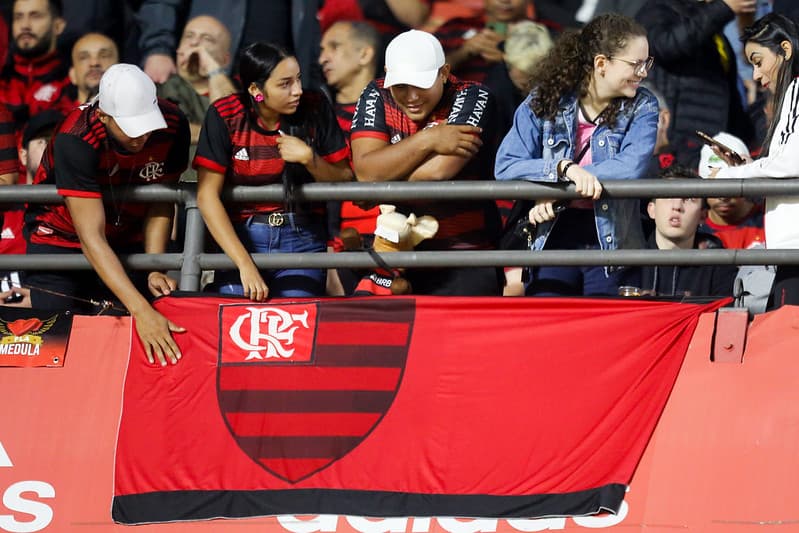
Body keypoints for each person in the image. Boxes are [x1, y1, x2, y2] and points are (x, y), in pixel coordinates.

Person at [23, 63, 191, 366]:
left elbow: (160, 200)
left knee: (123, 353)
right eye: (130, 126)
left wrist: (155, 267)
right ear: (103, 116)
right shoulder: (75, 137)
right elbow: (91, 238)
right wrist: (142, 310)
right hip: (59, 241)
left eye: (146, 123)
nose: (141, 136)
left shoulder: (174, 124)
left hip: (127, 239)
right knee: (55, 354)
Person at [494, 13, 658, 296]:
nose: (643, 72)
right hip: (552, 236)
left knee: (608, 336)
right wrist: (563, 169)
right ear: (601, 64)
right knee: (551, 331)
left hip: (614, 242)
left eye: (647, 63)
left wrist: (559, 191)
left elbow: (631, 168)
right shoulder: (544, 99)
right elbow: (505, 165)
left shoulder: (643, 105)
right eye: (635, 64)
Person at [195, 42, 352, 301]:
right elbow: (206, 196)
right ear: (256, 90)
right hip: (241, 236)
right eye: (285, 84)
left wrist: (309, 159)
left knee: (294, 325)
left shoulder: (315, 105)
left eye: (299, 80)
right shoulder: (225, 114)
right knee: (238, 322)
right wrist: (244, 264)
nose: (298, 91)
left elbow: (344, 176)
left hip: (302, 235)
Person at [350, 29, 503, 296]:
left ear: (444, 72)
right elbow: (365, 170)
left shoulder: (473, 95)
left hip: (466, 255)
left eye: (420, 84)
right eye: (400, 86)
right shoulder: (376, 92)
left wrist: (380, 182)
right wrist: (428, 139)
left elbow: (438, 171)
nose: (411, 96)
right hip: (395, 256)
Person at [710, 13, 799, 308]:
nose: (757, 76)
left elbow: (791, 164)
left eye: (758, 61)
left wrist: (726, 177)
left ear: (785, 50)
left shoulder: (797, 90)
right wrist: (743, 170)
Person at [636, 0, 757, 167]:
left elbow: (728, 96)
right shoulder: (658, 9)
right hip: (677, 142)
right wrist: (724, 8)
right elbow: (666, 45)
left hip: (710, 143)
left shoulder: (715, 33)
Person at [137, 0, 323, 90]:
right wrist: (158, 49)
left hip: (279, 88)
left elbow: (308, 25)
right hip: (210, 78)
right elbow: (161, 2)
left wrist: (314, 82)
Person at [641, 166, 738, 298]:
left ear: (703, 216)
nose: (677, 206)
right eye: (668, 196)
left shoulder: (718, 263)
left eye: (688, 199)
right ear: (651, 210)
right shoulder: (627, 261)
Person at [159, 14, 236, 148]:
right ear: (178, 50)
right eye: (189, 36)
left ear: (225, 60)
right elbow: (168, 130)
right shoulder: (157, 88)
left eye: (207, 39)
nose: (194, 43)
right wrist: (221, 134)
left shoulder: (246, 92)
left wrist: (214, 70)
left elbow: (235, 125)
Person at [0, 0, 71, 127]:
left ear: (58, 26)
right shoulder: (3, 77)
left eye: (35, 16)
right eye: (18, 17)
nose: (25, 25)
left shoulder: (72, 81)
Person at [65, 32, 119, 105]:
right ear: (72, 74)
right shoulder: (59, 116)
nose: (94, 63)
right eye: (84, 57)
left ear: (120, 68)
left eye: (104, 56)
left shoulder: (137, 114)